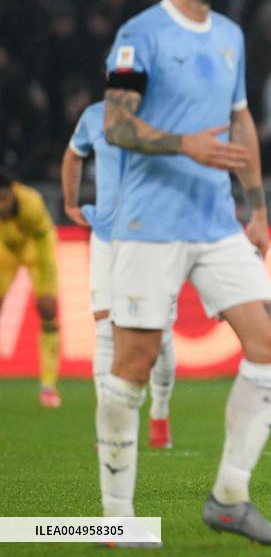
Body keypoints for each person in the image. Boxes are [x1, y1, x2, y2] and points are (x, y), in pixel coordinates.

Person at [96, 0, 271, 544]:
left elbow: (241, 125)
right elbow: (116, 123)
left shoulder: (231, 36)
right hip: (149, 223)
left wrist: (257, 209)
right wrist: (183, 144)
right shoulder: (139, 35)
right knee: (134, 361)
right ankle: (116, 522)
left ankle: (230, 498)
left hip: (216, 223)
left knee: (270, 347)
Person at [61, 98, 176, 448]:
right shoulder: (94, 116)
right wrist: (70, 202)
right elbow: (73, 154)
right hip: (107, 237)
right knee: (104, 329)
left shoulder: (166, 113)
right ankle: (108, 425)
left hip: (154, 238)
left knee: (160, 335)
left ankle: (159, 411)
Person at [0, 171, 62, 408]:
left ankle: (48, 386)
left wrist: (46, 286)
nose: (1, 206)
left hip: (36, 249)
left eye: (3, 199)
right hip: (5, 250)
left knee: (47, 309)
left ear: (12, 192)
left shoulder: (31, 202)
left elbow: (44, 240)